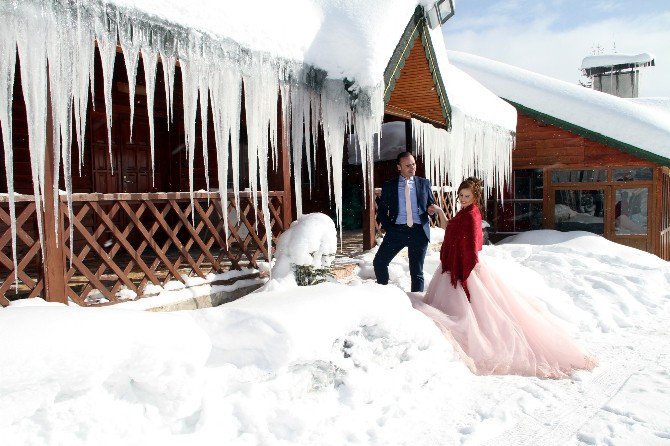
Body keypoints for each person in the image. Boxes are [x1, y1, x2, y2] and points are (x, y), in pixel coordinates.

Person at [414, 177, 597, 378]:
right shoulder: (463, 212)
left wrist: (463, 272)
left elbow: (473, 247)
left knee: (481, 312)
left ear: (475, 197)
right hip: (453, 265)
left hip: (465, 268)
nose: (463, 199)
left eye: (467, 196)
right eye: (461, 195)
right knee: (468, 309)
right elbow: (449, 228)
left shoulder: (472, 215)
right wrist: (440, 212)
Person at [374, 151, 435, 292]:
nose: (412, 167)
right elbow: (382, 211)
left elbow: (431, 206)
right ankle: (384, 294)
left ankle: (416, 306)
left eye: (413, 164)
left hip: (419, 232)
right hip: (397, 231)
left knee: (417, 272)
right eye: (407, 165)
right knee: (379, 262)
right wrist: (390, 228)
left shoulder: (424, 183)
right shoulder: (389, 185)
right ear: (399, 167)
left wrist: (431, 211)